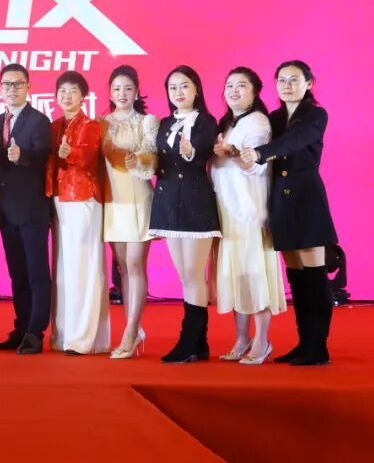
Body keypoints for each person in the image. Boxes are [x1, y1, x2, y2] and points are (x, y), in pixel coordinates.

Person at [242, 60, 338, 366]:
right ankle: (304, 342)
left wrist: (260, 154)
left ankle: (318, 347)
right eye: (281, 80)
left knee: (315, 277)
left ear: (309, 83)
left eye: (294, 79)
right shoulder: (274, 117)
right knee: (296, 277)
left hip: (306, 199)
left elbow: (293, 142)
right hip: (280, 201)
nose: (287, 85)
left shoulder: (316, 115)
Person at [212, 67, 285, 366]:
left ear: (255, 92)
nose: (233, 91)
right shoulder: (228, 124)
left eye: (241, 85)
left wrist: (231, 153)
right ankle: (242, 338)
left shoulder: (258, 122)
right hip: (228, 210)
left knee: (254, 273)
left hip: (249, 211)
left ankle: (261, 340)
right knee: (236, 274)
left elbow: (256, 165)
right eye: (229, 85)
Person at [148, 66, 221, 364]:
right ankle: (199, 343)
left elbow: (201, 155)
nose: (178, 92)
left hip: (195, 202)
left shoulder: (206, 121)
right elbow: (158, 160)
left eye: (184, 86)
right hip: (167, 203)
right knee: (185, 276)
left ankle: (188, 340)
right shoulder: (164, 123)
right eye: (173, 87)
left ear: (196, 89)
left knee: (193, 274)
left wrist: (190, 151)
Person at [0, 64, 52, 355]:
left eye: (17, 84)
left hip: (32, 210)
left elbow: (44, 157)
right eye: (7, 84)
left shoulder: (39, 120)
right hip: (6, 211)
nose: (11, 89)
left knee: (36, 274)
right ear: (0, 89)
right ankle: (20, 327)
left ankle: (35, 332)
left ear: (28, 87)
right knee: (17, 274)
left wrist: (22, 155)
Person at [46, 71, 110, 354]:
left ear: (84, 96)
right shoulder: (54, 125)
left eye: (73, 90)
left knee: (83, 267)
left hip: (84, 198)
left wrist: (68, 153)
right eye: (62, 91)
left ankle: (84, 338)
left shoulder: (91, 125)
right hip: (59, 200)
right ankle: (63, 334)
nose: (67, 96)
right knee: (63, 270)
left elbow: (85, 158)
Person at [99, 65, 158, 359]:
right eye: (116, 89)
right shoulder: (101, 124)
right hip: (112, 202)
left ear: (136, 92)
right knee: (122, 267)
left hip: (138, 199)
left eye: (128, 88)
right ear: (110, 93)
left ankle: (131, 331)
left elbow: (153, 158)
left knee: (135, 265)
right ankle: (131, 328)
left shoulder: (147, 122)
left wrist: (140, 159)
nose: (122, 94)